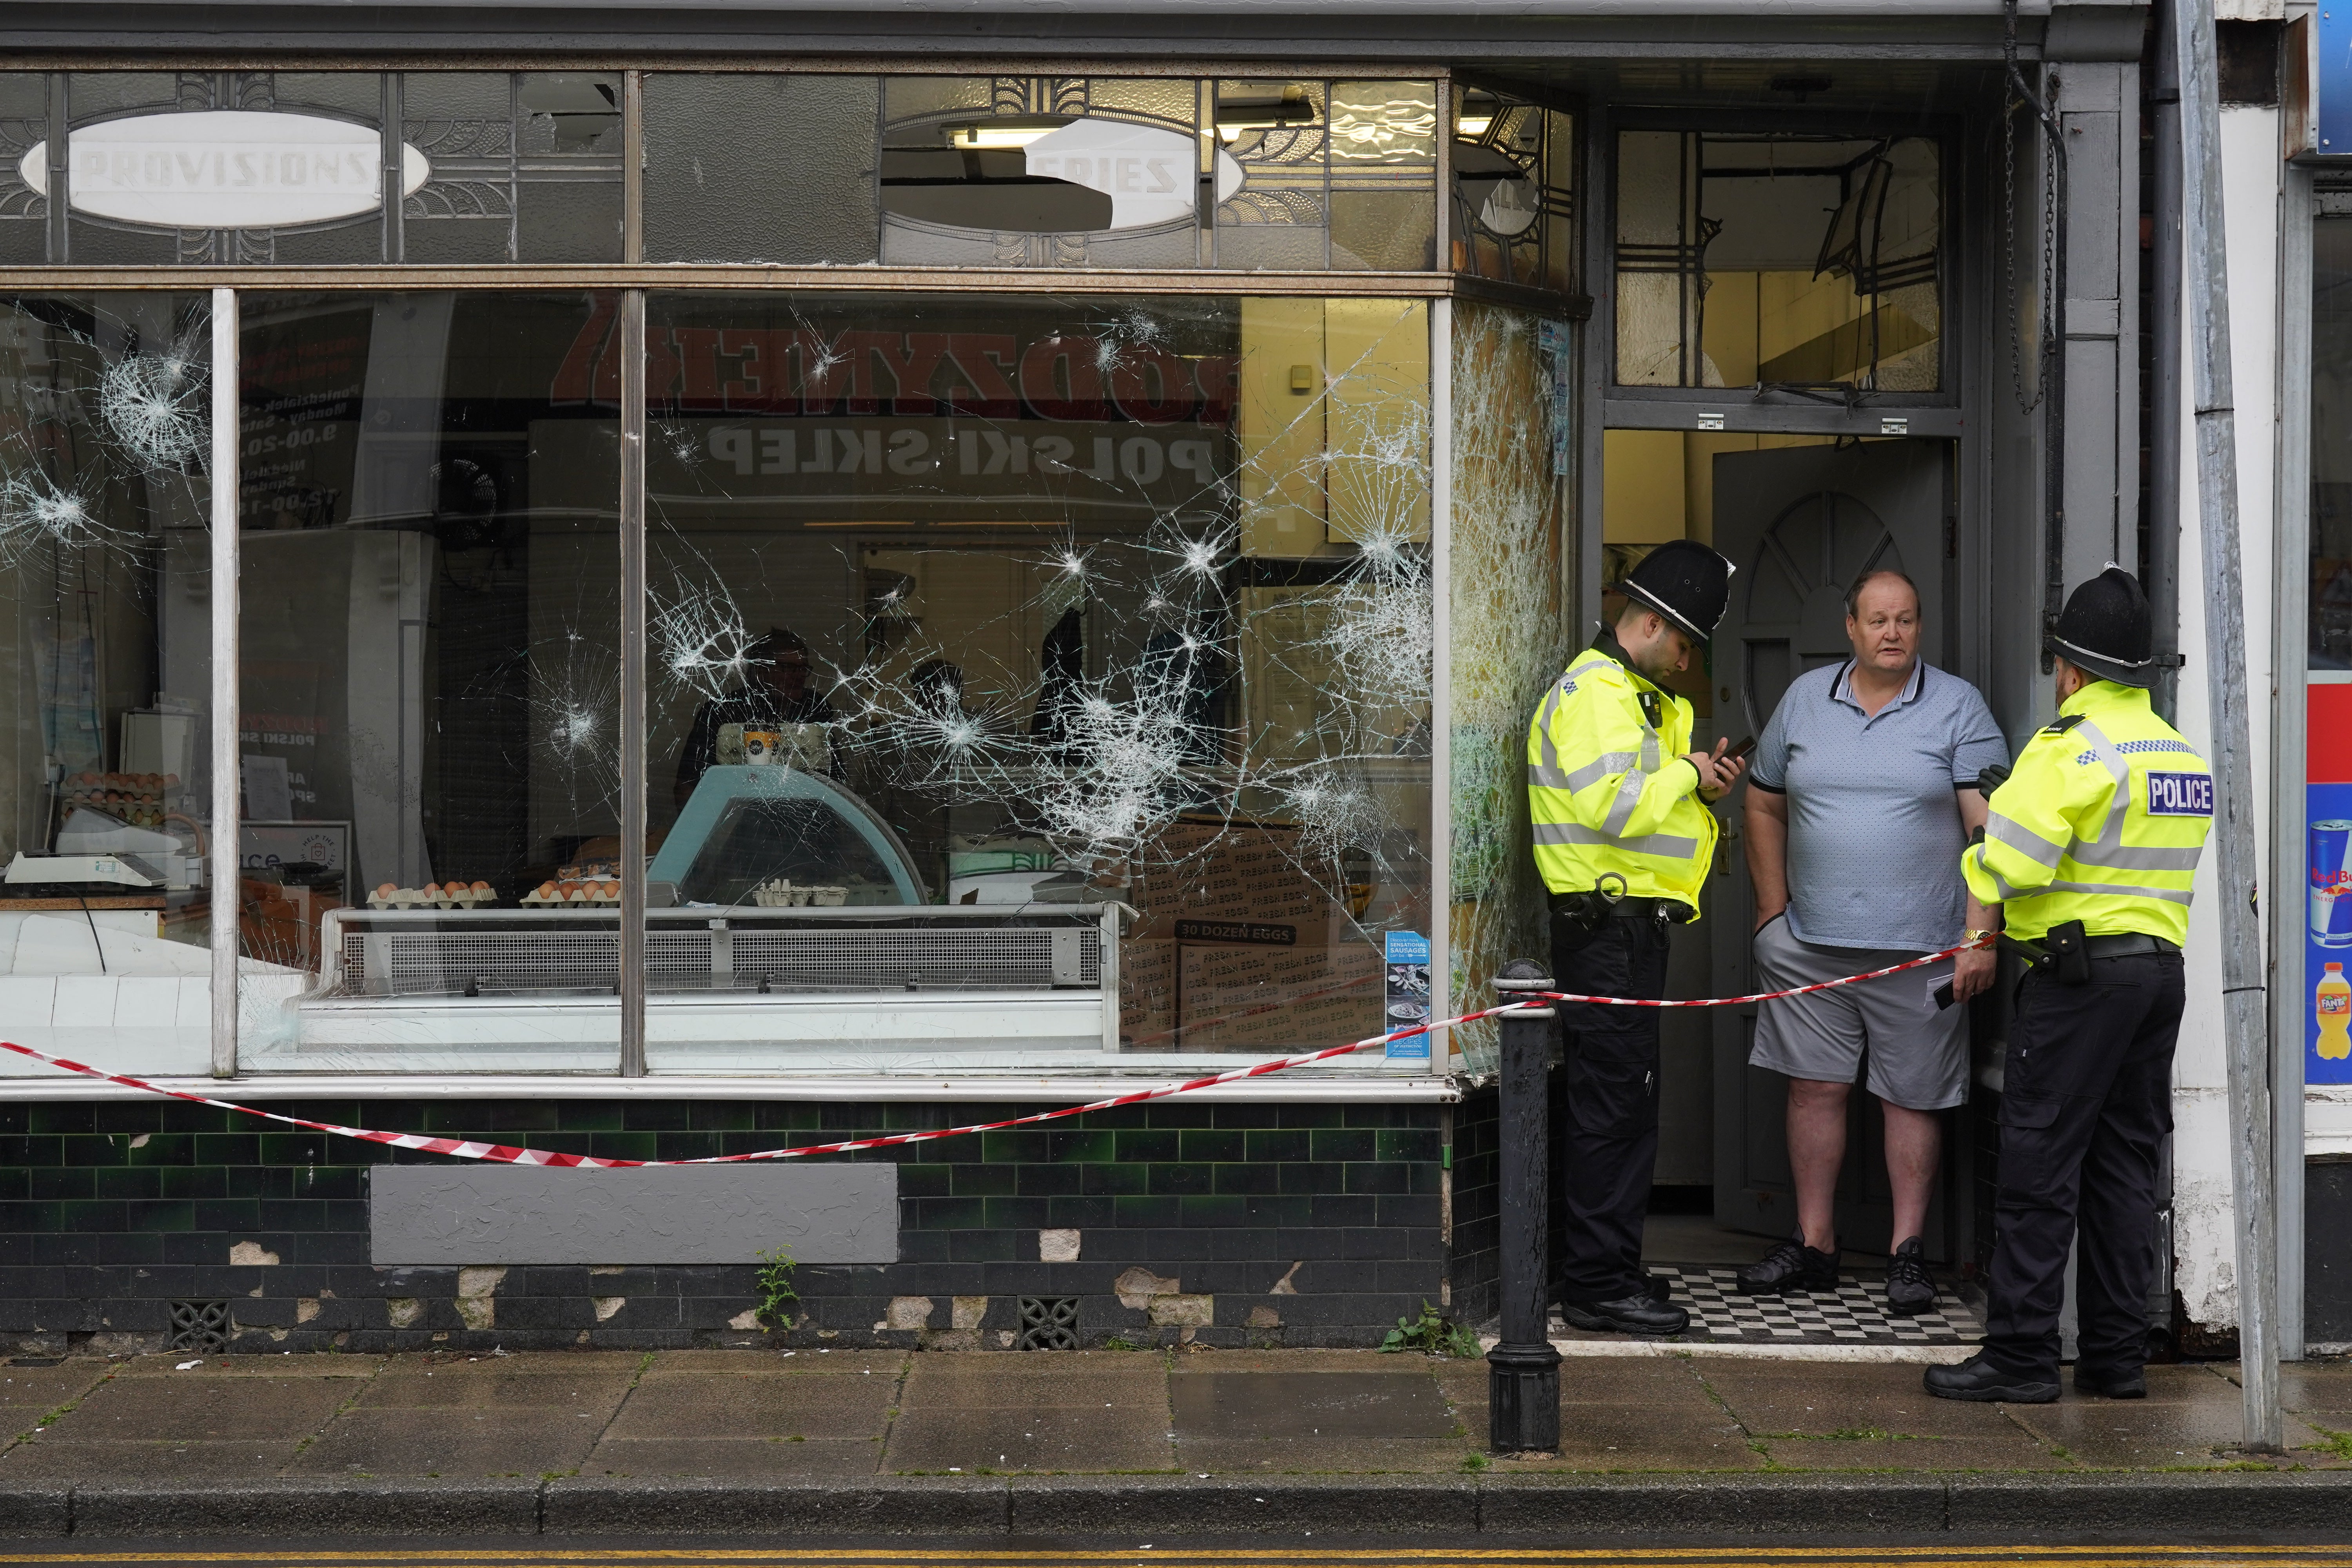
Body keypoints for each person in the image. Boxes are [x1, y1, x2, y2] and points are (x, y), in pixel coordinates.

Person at [1924, 567, 2212, 1403]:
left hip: (2079, 980)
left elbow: (2012, 865)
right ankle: (2117, 1358)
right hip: (2159, 975)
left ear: (2071, 668)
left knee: (2039, 1164)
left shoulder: (2069, 747)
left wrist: (1983, 834)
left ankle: (2019, 1355)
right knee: (2124, 1168)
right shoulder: (2178, 753)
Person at [1735, 570, 2009, 1315]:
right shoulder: (1804, 701)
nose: (1893, 633)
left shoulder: (1958, 707)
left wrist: (1979, 937)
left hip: (1920, 953)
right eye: (1879, 620)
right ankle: (1815, 1244)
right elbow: (1761, 802)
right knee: (1813, 1089)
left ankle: (1907, 1254)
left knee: (1910, 1101)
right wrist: (1771, 914)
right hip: (1811, 946)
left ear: (1920, 628)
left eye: (1907, 621)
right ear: (1850, 626)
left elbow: (1992, 831)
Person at [1527, 538, 1746, 1337]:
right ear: (1650, 624)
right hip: (1605, 932)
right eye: (1685, 642)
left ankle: (1610, 1266)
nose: (1688, 662)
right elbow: (1612, 808)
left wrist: (1696, 780)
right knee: (1612, 1110)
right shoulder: (1596, 693)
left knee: (1624, 1109)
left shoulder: (1629, 695)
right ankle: (1594, 1285)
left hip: (1628, 932)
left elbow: (1634, 809)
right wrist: (1688, 773)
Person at [673, 627, 839, 806]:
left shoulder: (814, 707)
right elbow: (687, 787)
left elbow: (836, 780)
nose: (798, 676)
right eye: (788, 668)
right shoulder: (723, 711)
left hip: (808, 821)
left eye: (803, 669)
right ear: (760, 670)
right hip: (741, 819)